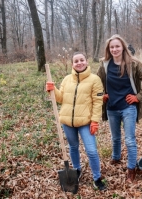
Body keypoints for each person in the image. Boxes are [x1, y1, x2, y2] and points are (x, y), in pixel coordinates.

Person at [97, 34, 142, 183]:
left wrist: (138, 97)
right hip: (111, 108)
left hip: (128, 107)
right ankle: (116, 158)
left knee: (129, 140)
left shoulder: (134, 64)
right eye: (112, 47)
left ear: (123, 46)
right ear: (108, 49)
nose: (115, 49)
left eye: (117, 46)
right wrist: (101, 95)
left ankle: (131, 169)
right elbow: (96, 83)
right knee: (115, 138)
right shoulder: (104, 65)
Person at [46, 52, 106, 191]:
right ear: (72, 64)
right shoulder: (67, 79)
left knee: (91, 151)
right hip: (67, 121)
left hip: (85, 122)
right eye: (76, 61)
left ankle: (97, 178)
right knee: (73, 147)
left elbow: (98, 102)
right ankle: (77, 170)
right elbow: (60, 98)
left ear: (86, 61)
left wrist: (94, 121)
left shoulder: (94, 79)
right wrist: (52, 89)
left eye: (81, 60)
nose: (79, 63)